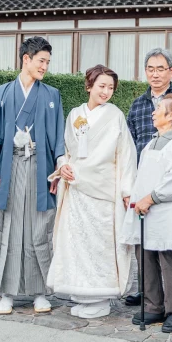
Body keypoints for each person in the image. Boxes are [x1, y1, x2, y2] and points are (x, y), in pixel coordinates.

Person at [0, 36, 65, 315]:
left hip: (41, 167)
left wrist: (57, 171)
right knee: (10, 227)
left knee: (40, 226)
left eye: (48, 63)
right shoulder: (3, 93)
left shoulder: (51, 95)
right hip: (11, 164)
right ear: (26, 59)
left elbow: (58, 136)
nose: (45, 67)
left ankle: (40, 291)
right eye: (41, 61)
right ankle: (7, 292)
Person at [46, 65, 137, 319]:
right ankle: (80, 292)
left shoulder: (115, 115)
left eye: (110, 87)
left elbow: (126, 155)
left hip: (103, 189)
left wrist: (127, 189)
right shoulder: (75, 114)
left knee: (101, 244)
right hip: (76, 189)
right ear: (89, 86)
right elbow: (65, 148)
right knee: (77, 242)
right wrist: (63, 166)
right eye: (101, 86)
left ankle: (100, 295)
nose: (106, 92)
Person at [124, 47, 172, 306]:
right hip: (144, 183)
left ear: (171, 71)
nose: (155, 74)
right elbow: (129, 146)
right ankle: (151, 297)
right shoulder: (138, 105)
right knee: (145, 245)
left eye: (161, 68)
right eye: (150, 68)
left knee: (171, 249)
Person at [121, 94, 172, 333]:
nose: (153, 113)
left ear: (171, 116)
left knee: (169, 259)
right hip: (144, 210)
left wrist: (151, 198)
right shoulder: (151, 142)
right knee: (145, 257)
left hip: (166, 211)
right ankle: (153, 306)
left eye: (159, 109)